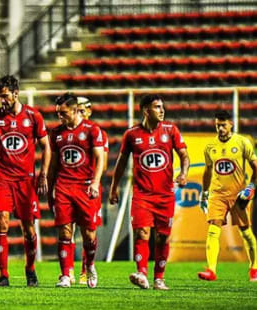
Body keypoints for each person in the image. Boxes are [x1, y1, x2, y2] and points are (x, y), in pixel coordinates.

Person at [0, 75, 51, 287]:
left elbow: (46, 147)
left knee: (28, 228)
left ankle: (30, 270)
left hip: (26, 180)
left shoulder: (33, 116)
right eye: (0, 97)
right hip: (3, 178)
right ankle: (4, 275)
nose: (2, 100)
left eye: (5, 96)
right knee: (1, 222)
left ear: (16, 93)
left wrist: (43, 174)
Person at [109, 94, 189, 290]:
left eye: (162, 106)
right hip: (142, 195)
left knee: (162, 237)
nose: (162, 110)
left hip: (165, 195)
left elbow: (184, 156)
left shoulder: (170, 130)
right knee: (142, 233)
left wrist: (184, 174)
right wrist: (113, 187)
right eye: (157, 107)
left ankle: (159, 279)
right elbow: (120, 164)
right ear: (146, 110)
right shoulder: (132, 134)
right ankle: (142, 273)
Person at [47, 93, 105, 288]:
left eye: (63, 113)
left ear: (73, 110)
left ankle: (89, 265)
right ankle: (65, 274)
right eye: (57, 114)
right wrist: (50, 187)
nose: (59, 117)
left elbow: (100, 159)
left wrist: (95, 183)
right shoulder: (56, 133)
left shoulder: (92, 130)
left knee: (89, 234)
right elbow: (54, 164)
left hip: (85, 186)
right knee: (64, 232)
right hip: (64, 186)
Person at [197, 110, 257, 282]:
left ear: (231, 124)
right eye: (217, 125)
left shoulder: (242, 142)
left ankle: (254, 268)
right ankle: (211, 270)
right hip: (217, 194)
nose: (220, 129)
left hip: (238, 195)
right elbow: (208, 171)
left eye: (223, 125)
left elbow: (255, 166)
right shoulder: (210, 147)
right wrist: (204, 193)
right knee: (213, 229)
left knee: (246, 232)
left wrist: (251, 186)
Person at [76, 96, 109, 285]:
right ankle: (68, 272)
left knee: (88, 231)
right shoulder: (67, 132)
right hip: (69, 186)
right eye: (76, 110)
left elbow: (102, 165)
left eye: (82, 110)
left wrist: (91, 178)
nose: (79, 114)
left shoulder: (98, 133)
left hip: (89, 186)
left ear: (89, 111)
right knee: (67, 227)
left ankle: (85, 269)